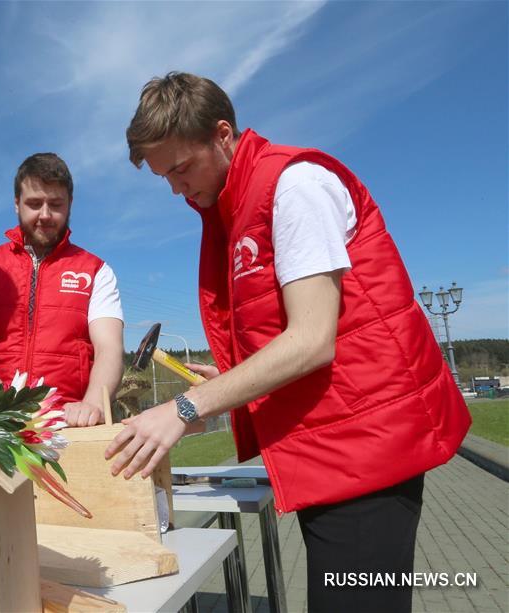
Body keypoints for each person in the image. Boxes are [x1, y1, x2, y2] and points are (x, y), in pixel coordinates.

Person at [105, 72, 470, 612]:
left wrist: (184, 407)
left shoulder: (293, 186)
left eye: (181, 168)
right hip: (334, 449)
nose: (177, 189)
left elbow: (312, 339)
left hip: (366, 449)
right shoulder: (236, 204)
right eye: (165, 179)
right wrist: (227, 387)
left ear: (222, 134)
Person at [0, 153, 124, 426]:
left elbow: (109, 348)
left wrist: (92, 404)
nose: (45, 215)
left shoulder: (96, 271)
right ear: (17, 204)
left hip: (67, 421)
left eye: (55, 204)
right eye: (34, 204)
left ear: (70, 204)